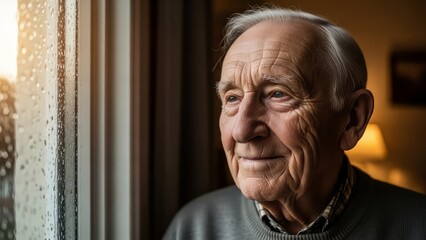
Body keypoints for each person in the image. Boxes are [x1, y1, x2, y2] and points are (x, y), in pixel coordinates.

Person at [164, 6, 426, 240]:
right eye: (232, 98)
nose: (242, 131)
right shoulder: (193, 227)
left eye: (278, 94)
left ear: (352, 120)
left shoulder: (417, 225)